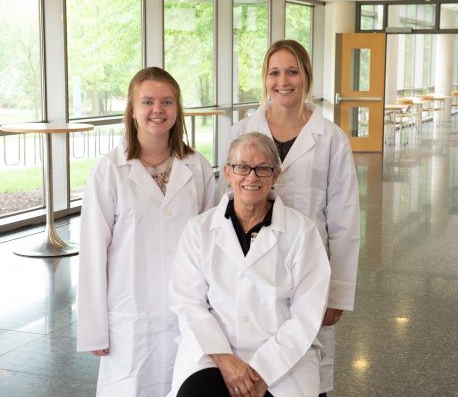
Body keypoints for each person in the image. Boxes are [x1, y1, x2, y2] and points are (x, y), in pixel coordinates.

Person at [221, 40, 361, 396]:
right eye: (274, 72)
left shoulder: (331, 138)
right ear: (265, 79)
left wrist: (338, 293)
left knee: (303, 368)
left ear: (306, 77)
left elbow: (344, 219)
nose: (283, 81)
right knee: (249, 365)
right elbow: (224, 204)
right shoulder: (240, 131)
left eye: (292, 71)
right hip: (250, 262)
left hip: (307, 268)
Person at [77, 67, 216, 397]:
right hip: (130, 314)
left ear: (177, 109)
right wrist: (95, 328)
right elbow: (93, 251)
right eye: (148, 101)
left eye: (167, 101)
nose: (158, 109)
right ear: (132, 109)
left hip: (187, 310)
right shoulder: (110, 169)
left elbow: (213, 245)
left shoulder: (196, 166)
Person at [169, 132, 331, 397]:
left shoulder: (302, 232)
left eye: (263, 168)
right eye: (242, 167)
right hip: (213, 356)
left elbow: (306, 315)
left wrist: (262, 371)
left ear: (275, 175)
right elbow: (188, 303)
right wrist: (226, 361)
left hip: (281, 361)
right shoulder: (199, 230)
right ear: (227, 173)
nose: (252, 177)